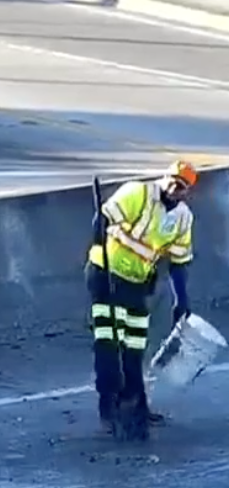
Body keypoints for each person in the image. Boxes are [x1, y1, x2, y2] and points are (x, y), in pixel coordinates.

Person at [88, 159, 197, 441]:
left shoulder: (183, 218)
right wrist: (99, 234)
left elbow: (178, 262)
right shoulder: (137, 192)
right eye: (172, 180)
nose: (174, 187)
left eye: (181, 185)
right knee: (108, 341)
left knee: (134, 346)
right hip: (106, 275)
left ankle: (136, 405)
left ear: (187, 191)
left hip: (137, 284)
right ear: (165, 176)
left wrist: (181, 300)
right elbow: (103, 218)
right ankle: (108, 408)